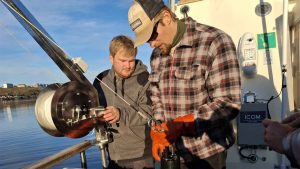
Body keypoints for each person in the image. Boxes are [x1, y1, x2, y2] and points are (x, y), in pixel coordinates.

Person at [128, 0, 241, 169]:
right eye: (146, 40)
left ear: (166, 17)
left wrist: (183, 123)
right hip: (173, 155)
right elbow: (156, 96)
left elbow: (229, 102)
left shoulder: (214, 41)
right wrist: (158, 129)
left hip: (206, 155)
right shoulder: (156, 55)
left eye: (151, 35)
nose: (151, 44)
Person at [93, 35, 154, 169]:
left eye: (131, 60)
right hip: (114, 155)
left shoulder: (145, 79)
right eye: (123, 60)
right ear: (111, 58)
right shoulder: (100, 81)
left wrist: (120, 114)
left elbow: (149, 111)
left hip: (141, 155)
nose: (128, 65)